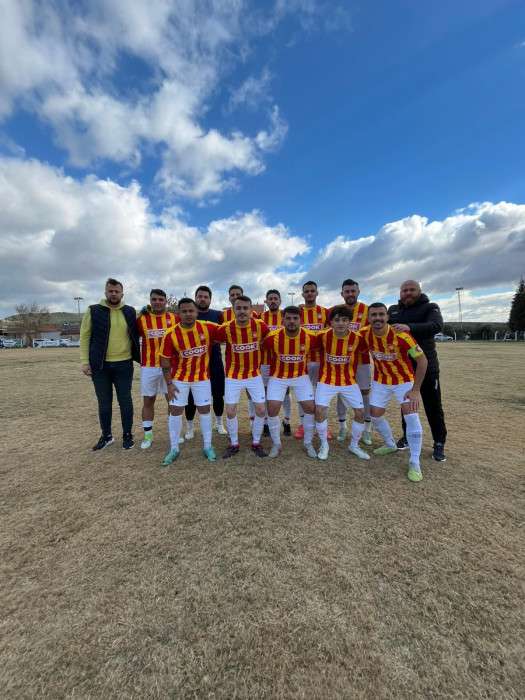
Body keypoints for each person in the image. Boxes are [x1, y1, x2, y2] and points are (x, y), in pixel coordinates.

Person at [359, 303, 428, 482]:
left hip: (404, 382)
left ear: (387, 317)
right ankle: (390, 444)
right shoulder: (364, 333)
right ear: (368, 318)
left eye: (381, 314)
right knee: (374, 414)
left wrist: (415, 390)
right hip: (381, 381)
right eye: (373, 315)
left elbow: (422, 361)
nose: (378, 318)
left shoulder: (402, 336)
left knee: (411, 415)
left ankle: (414, 461)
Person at [388, 280, 447, 462]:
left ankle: (439, 442)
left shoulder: (430, 307)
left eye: (412, 290)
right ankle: (407, 437)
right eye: (404, 290)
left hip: (426, 366)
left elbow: (436, 326)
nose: (408, 293)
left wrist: (409, 327)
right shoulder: (393, 310)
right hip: (403, 368)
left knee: (433, 406)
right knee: (406, 404)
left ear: (419, 291)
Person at [80, 278, 140, 450]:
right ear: (105, 292)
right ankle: (106, 436)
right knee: (104, 403)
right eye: (110, 291)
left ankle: (127, 435)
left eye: (117, 291)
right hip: (100, 366)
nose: (113, 294)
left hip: (124, 365)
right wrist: (85, 362)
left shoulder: (130, 311)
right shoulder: (93, 311)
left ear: (122, 294)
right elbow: (84, 336)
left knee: (125, 402)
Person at [158, 298, 219, 465]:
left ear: (197, 312)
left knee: (204, 410)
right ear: (178, 313)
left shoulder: (208, 327)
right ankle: (174, 449)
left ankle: (208, 446)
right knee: (175, 411)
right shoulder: (170, 334)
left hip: (202, 379)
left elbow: (229, 331)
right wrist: (169, 384)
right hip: (179, 379)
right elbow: (165, 362)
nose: (188, 314)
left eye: (191, 311)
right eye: (184, 311)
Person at [214, 295, 270, 458]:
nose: (242, 311)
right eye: (238, 308)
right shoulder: (226, 328)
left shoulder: (260, 325)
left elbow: (269, 341)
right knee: (231, 411)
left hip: (254, 375)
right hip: (233, 376)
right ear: (233, 310)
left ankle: (256, 442)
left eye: (245, 308)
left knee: (261, 409)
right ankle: (234, 444)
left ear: (251, 310)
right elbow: (212, 340)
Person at [315, 305, 369, 461]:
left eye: (344, 320)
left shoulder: (357, 338)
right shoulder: (322, 336)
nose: (340, 323)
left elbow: (366, 352)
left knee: (360, 413)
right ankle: (324, 444)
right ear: (331, 322)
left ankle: (354, 445)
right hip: (326, 380)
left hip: (349, 381)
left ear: (349, 322)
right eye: (337, 320)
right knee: (319, 410)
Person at [263, 306, 318, 458]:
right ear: (283, 320)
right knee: (272, 409)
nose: (292, 321)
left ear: (300, 320)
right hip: (278, 377)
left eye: (295, 318)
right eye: (288, 318)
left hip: (301, 377)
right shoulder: (272, 337)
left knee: (310, 408)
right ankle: (276, 444)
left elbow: (320, 349)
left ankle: (308, 443)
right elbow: (261, 350)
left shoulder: (310, 337)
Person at [136, 289, 179, 449]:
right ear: (150, 301)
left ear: (165, 301)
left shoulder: (174, 318)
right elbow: (132, 337)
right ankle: (148, 436)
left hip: (170, 366)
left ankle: (174, 433)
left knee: (172, 400)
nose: (157, 302)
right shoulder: (142, 319)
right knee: (148, 401)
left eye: (161, 299)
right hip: (149, 367)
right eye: (154, 299)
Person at [184, 285, 226, 439]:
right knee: (190, 397)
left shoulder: (218, 315)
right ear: (195, 298)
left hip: (214, 361)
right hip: (193, 364)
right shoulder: (188, 314)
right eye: (199, 296)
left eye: (205, 297)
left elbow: (226, 331)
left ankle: (219, 423)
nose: (202, 299)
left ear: (210, 299)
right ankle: (190, 427)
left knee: (218, 394)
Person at [335, 279, 373, 445]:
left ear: (358, 292)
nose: (350, 294)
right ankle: (342, 427)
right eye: (347, 291)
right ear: (342, 293)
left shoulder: (367, 310)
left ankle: (367, 429)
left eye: (353, 291)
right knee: (341, 393)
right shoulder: (336, 311)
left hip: (362, 361)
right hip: (342, 362)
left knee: (365, 393)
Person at [295, 280, 330, 439]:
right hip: (302, 360)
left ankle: (323, 425)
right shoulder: (298, 312)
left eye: (312, 291)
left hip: (322, 360)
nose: (309, 293)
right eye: (307, 291)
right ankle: (303, 424)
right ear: (303, 294)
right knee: (303, 393)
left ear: (317, 293)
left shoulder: (325, 312)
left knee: (322, 394)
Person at [260, 289, 292, 436]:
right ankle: (266, 422)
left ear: (280, 301)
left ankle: (287, 421)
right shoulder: (260, 318)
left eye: (275, 298)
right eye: (270, 299)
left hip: (283, 363)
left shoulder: (286, 317)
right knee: (266, 393)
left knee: (285, 392)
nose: (273, 301)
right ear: (266, 301)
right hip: (265, 362)